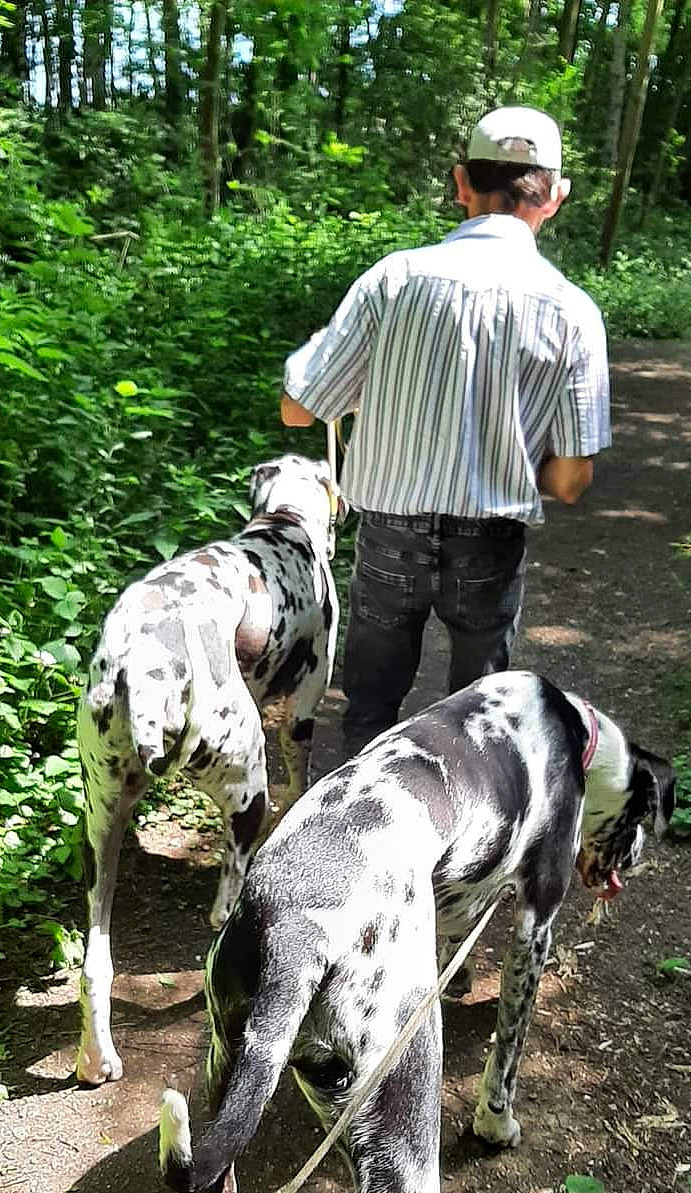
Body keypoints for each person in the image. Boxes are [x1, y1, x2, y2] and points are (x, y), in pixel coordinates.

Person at [280, 106, 611, 758]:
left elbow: (299, 408)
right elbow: (570, 482)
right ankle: (470, 846)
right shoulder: (572, 309)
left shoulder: (393, 278)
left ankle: (360, 837)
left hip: (388, 536)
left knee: (369, 712)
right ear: (555, 196)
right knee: (480, 729)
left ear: (461, 183)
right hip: (489, 547)